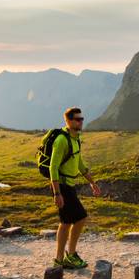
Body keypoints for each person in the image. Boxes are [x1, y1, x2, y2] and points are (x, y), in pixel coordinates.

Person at [48, 107, 100, 269]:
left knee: (66, 222)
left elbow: (79, 164)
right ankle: (69, 255)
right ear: (69, 121)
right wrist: (57, 193)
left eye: (82, 118)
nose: (81, 121)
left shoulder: (75, 139)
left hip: (69, 185)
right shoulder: (62, 140)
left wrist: (92, 182)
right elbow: (53, 167)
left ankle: (60, 258)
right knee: (80, 217)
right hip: (62, 186)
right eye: (78, 119)